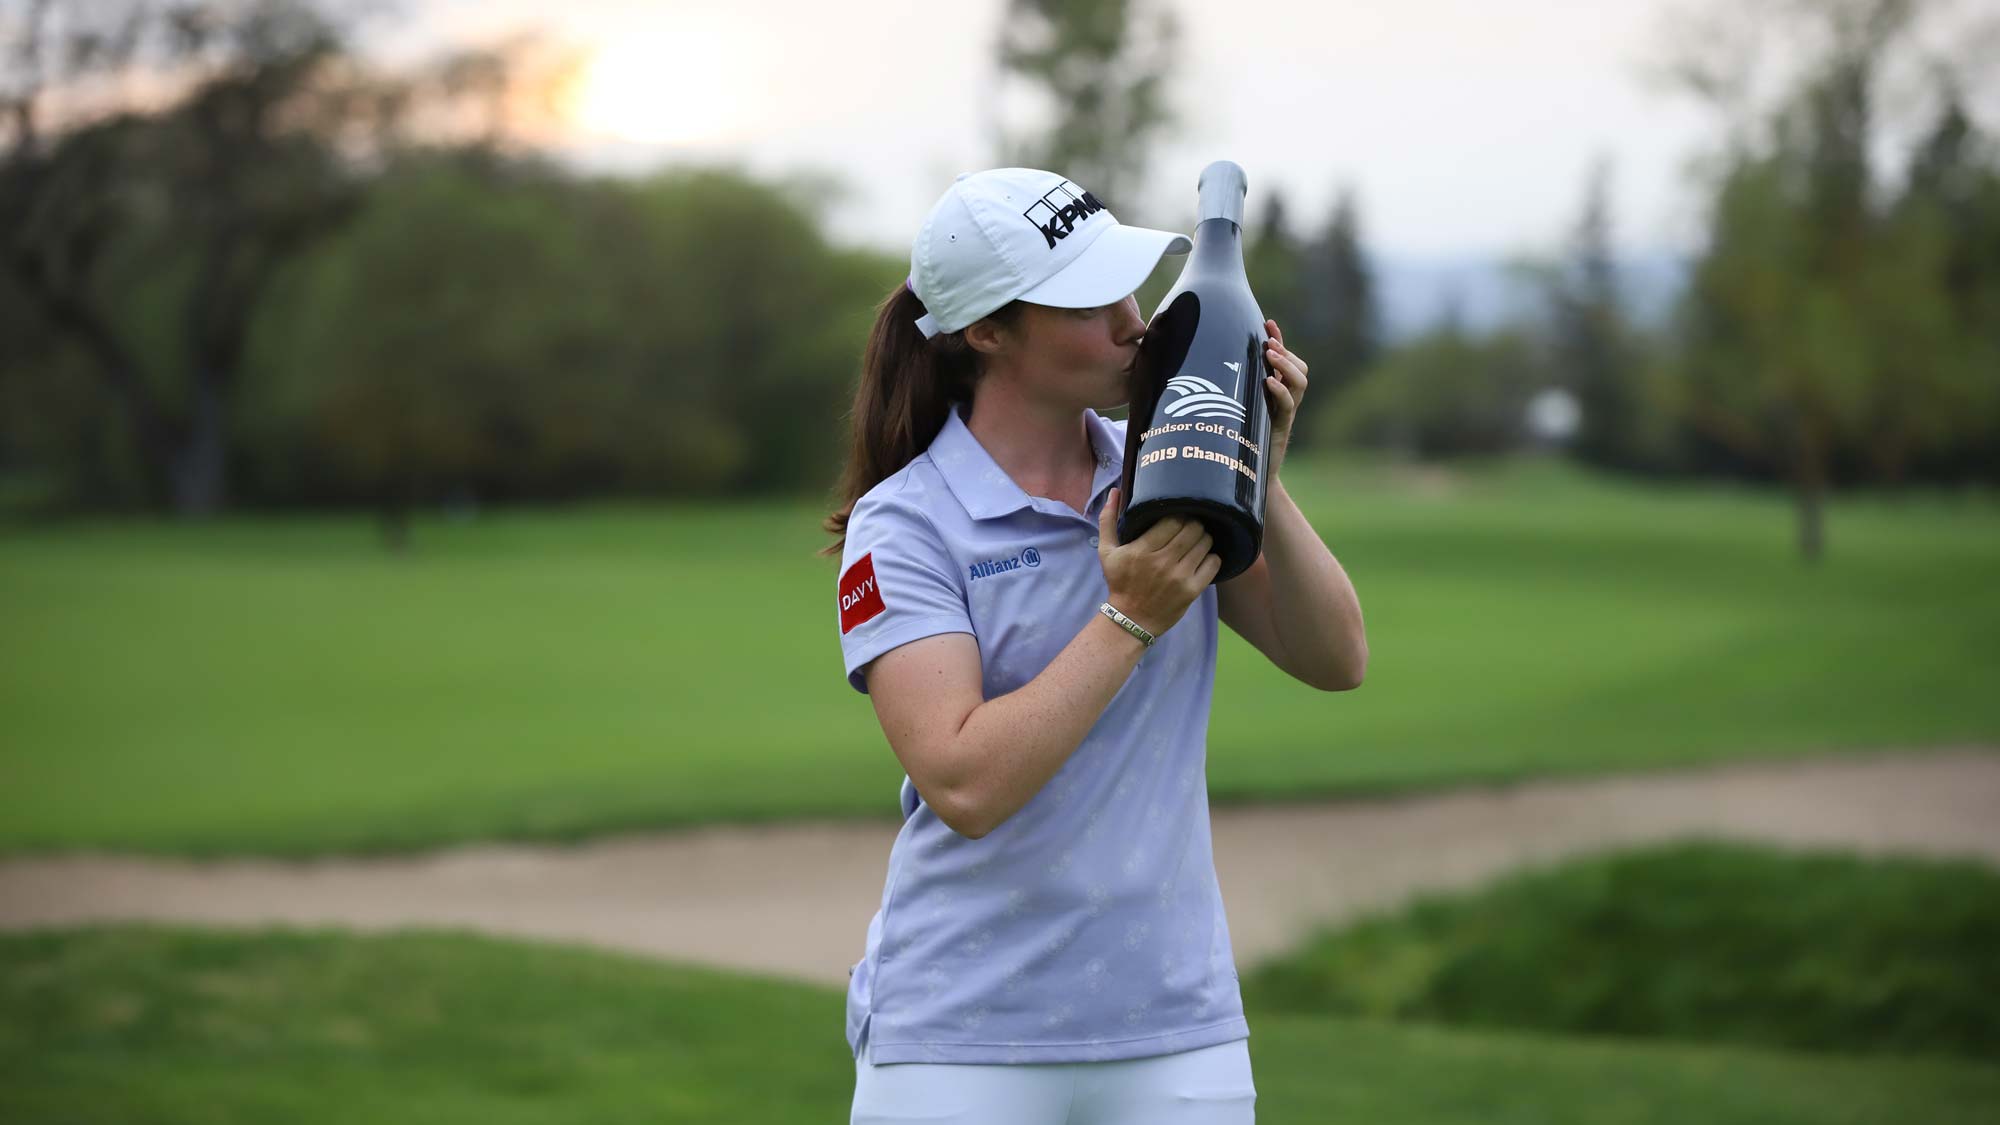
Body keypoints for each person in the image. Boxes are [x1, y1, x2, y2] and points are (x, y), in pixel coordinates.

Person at [820, 167, 1367, 1125]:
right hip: (961, 1036)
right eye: (1087, 303)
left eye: (1128, 288)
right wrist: (1128, 620)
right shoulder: (904, 524)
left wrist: (1259, 475)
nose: (1133, 323)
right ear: (987, 332)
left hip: (1177, 1025)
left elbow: (1334, 658)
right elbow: (965, 784)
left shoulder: (1168, 466)